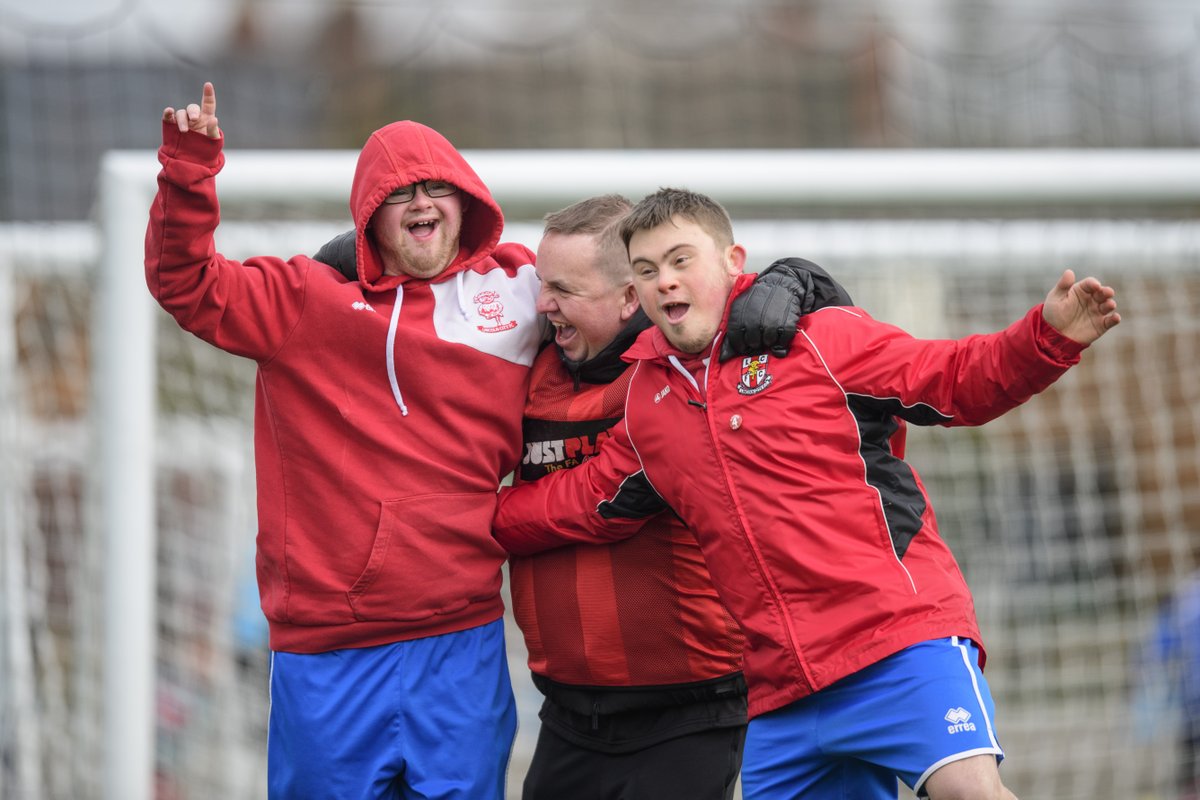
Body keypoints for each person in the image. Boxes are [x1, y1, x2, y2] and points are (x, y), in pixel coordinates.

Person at [491, 187, 1121, 800]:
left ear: (732, 261)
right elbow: (589, 498)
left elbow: (956, 378)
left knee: (967, 789)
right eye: (649, 269)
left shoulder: (819, 338)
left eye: (682, 260)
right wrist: (464, 520)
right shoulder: (648, 401)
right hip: (782, 688)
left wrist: (1047, 337)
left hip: (895, 642)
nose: (667, 281)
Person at [313, 194, 817, 799]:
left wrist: (799, 279)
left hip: (689, 713)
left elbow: (606, 499)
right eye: (542, 284)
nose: (541, 302)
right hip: (567, 717)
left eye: (562, 290)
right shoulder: (533, 359)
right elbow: (457, 294)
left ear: (629, 297)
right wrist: (367, 251)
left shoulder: (683, 368)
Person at [147, 82, 545, 799]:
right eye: (401, 193)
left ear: (467, 202)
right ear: (368, 215)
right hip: (328, 652)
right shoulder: (306, 301)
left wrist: (764, 294)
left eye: (438, 187)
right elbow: (186, 283)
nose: (422, 202)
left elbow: (624, 289)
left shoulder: (522, 290)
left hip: (462, 640)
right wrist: (188, 172)